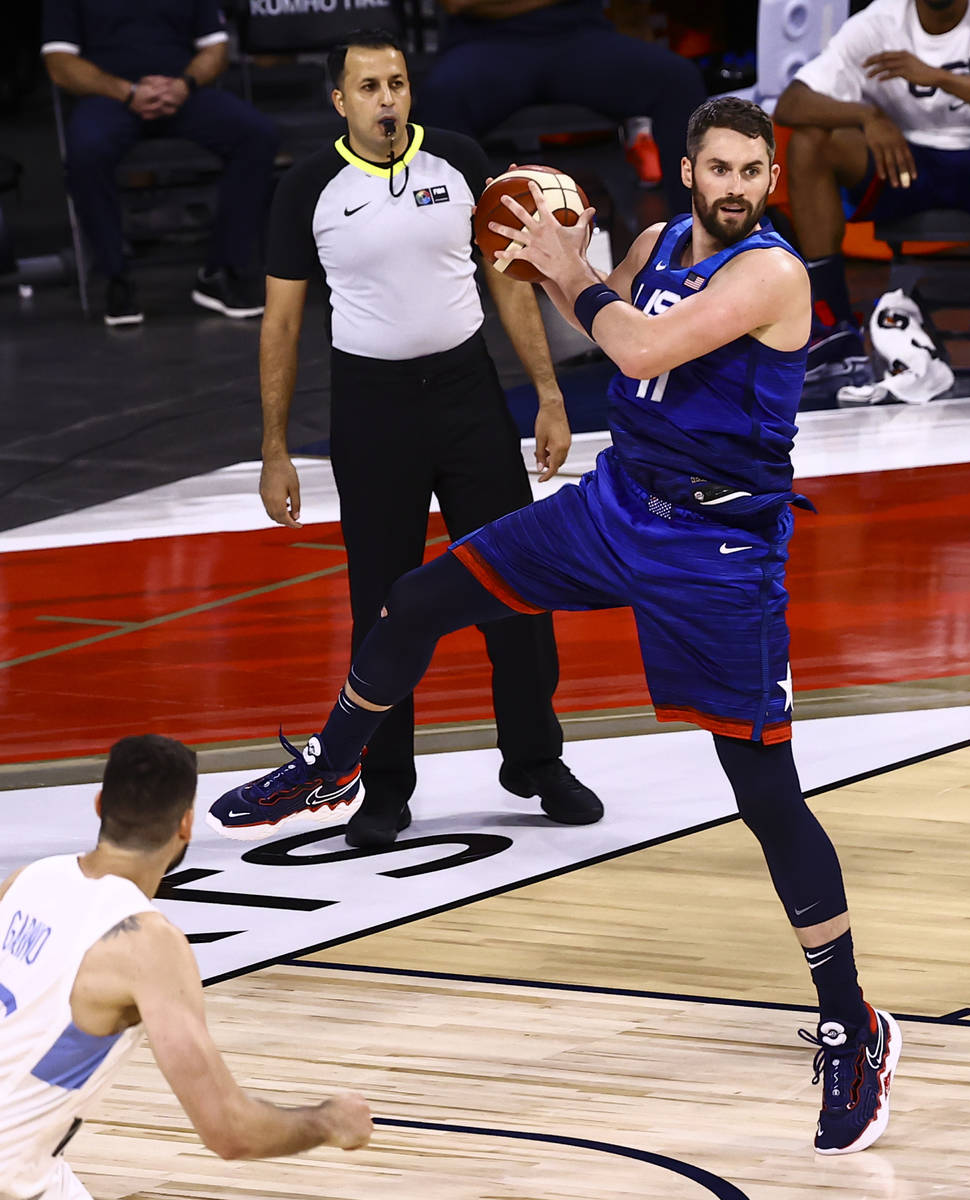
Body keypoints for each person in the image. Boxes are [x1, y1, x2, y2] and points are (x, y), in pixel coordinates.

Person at [211, 95, 901, 1155]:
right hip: (617, 506)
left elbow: (633, 347)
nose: (732, 187)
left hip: (716, 552)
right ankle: (334, 765)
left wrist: (571, 270)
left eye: (750, 172)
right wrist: (547, 250)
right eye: (716, 167)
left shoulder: (771, 272)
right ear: (686, 169)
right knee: (418, 598)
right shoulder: (661, 240)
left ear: (769, 181)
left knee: (763, 794)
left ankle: (852, 1023)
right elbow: (592, 314)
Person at [219, 28, 601, 850]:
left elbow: (512, 289)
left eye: (396, 83)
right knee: (383, 604)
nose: (386, 98)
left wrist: (547, 395)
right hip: (371, 407)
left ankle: (535, 759)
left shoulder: (461, 161)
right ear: (339, 100)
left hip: (467, 394)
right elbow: (280, 326)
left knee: (516, 581)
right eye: (368, 87)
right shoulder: (308, 188)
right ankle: (386, 786)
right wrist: (275, 448)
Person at [0, 734, 373, 1200]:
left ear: (99, 805)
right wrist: (329, 1121)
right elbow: (229, 1130)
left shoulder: (27, 879)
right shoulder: (148, 945)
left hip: (32, 1164)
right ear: (186, 825)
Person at [772, 0, 970, 385]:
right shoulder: (879, 22)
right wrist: (866, 116)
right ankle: (835, 325)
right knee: (810, 142)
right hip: (906, 163)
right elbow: (790, 104)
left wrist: (939, 77)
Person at [41, 0, 279, 326]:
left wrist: (184, 85)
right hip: (108, 96)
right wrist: (127, 91)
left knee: (257, 134)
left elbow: (215, 48)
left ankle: (221, 271)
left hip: (182, 91)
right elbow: (60, 63)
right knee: (85, 152)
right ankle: (117, 277)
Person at [414, 0, 708, 215]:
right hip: (485, 42)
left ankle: (695, 240)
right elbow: (458, 3)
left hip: (578, 36)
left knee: (678, 81)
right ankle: (461, 259)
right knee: (439, 99)